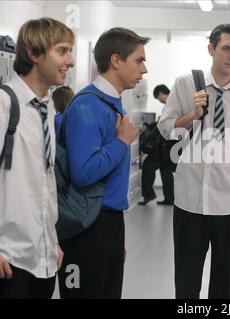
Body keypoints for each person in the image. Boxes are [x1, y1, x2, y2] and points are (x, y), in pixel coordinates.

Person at [158, 24, 230, 299]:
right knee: (186, 283)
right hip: (189, 201)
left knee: (225, 286)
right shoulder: (186, 83)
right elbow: (166, 128)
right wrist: (192, 114)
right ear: (211, 49)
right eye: (227, 49)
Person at [58, 28, 148, 299]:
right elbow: (83, 173)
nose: (145, 69)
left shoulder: (112, 102)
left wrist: (114, 237)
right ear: (116, 60)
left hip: (109, 222)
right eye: (139, 60)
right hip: (86, 225)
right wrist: (121, 142)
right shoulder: (88, 106)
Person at [0, 18, 74, 299]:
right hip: (9, 260)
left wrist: (51, 241)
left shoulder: (46, 110)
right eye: (62, 50)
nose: (71, 60)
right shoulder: (5, 105)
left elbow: (42, 183)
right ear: (33, 54)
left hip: (43, 258)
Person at [139, 84, 174, 206]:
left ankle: (149, 195)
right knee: (166, 171)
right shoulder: (172, 102)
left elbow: (164, 125)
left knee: (148, 166)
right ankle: (169, 198)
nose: (158, 100)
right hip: (168, 146)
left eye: (157, 97)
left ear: (160, 93)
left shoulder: (170, 104)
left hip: (163, 146)